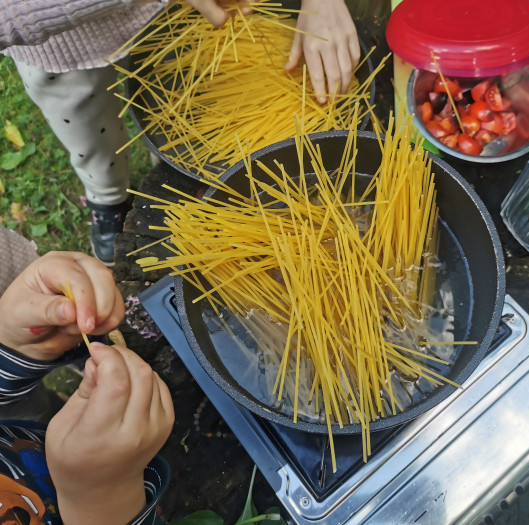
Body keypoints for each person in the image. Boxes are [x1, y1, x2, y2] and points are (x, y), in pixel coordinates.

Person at [0, 0, 361, 266]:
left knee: (167, 103)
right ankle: (106, 196)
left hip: (177, 17)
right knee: (89, 132)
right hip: (60, 44)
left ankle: (162, 160)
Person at [0, 246, 174, 524]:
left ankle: (68, 425)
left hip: (22, 434)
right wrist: (101, 502)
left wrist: (13, 349)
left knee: (44, 414)